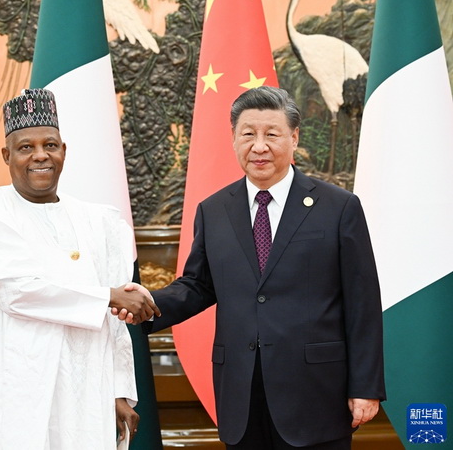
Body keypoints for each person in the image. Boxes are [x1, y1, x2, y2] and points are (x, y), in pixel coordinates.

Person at [139, 86, 386, 449]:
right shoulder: (213, 210)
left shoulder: (338, 207)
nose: (259, 146)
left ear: (294, 137)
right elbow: (198, 285)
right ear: (233, 139)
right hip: (242, 392)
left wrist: (365, 386)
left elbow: (362, 302)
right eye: (248, 134)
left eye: (272, 134)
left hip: (316, 392)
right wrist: (145, 304)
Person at [0, 88, 160, 449]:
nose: (40, 155)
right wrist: (106, 297)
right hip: (13, 395)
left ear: (63, 150)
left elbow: (113, 323)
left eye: (50, 145)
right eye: (26, 147)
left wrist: (118, 390)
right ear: (7, 155)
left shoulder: (98, 222)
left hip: (84, 394)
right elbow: (17, 293)